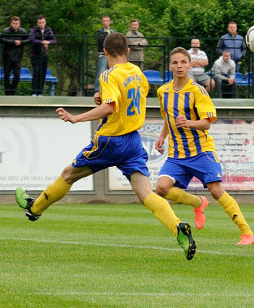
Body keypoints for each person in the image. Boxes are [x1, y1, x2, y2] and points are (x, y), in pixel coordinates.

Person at [14, 33, 197, 260]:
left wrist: (76, 117)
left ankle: (34, 209)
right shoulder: (138, 73)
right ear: (128, 51)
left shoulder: (109, 75)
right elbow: (129, 99)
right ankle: (177, 226)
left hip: (110, 139)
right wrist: (104, 98)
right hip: (133, 141)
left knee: (68, 175)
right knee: (145, 193)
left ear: (106, 53)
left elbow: (110, 108)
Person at [154, 47, 254, 246]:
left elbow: (207, 123)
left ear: (190, 65)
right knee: (161, 188)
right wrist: (161, 137)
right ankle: (197, 202)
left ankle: (247, 233)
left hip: (201, 151)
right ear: (170, 66)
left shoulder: (197, 91)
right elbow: (168, 117)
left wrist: (189, 123)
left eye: (183, 62)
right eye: (175, 63)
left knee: (216, 191)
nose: (179, 66)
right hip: (176, 154)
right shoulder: (162, 91)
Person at [28, 15, 56, 96]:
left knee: (42, 73)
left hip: (44, 55)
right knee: (36, 72)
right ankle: (34, 92)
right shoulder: (34, 30)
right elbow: (31, 39)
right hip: (35, 55)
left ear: (45, 22)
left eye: (43, 22)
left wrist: (48, 42)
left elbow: (54, 40)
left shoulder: (48, 30)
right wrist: (42, 42)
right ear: (37, 23)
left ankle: (40, 92)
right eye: (40, 23)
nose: (41, 24)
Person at [1, 16, 29, 95]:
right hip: (7, 57)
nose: (15, 25)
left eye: (17, 24)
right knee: (6, 75)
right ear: (11, 23)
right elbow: (2, 39)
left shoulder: (22, 31)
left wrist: (21, 42)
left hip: (18, 57)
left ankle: (12, 91)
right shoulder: (6, 31)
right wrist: (13, 42)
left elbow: (29, 39)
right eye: (14, 23)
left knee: (17, 76)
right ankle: (7, 92)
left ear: (19, 24)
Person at [94, 15, 115, 92]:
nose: (106, 22)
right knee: (101, 72)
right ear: (102, 22)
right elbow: (101, 41)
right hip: (103, 55)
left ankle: (110, 89)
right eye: (104, 21)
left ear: (110, 22)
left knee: (112, 73)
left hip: (112, 55)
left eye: (107, 20)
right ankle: (97, 90)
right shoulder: (99, 32)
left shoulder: (113, 32)